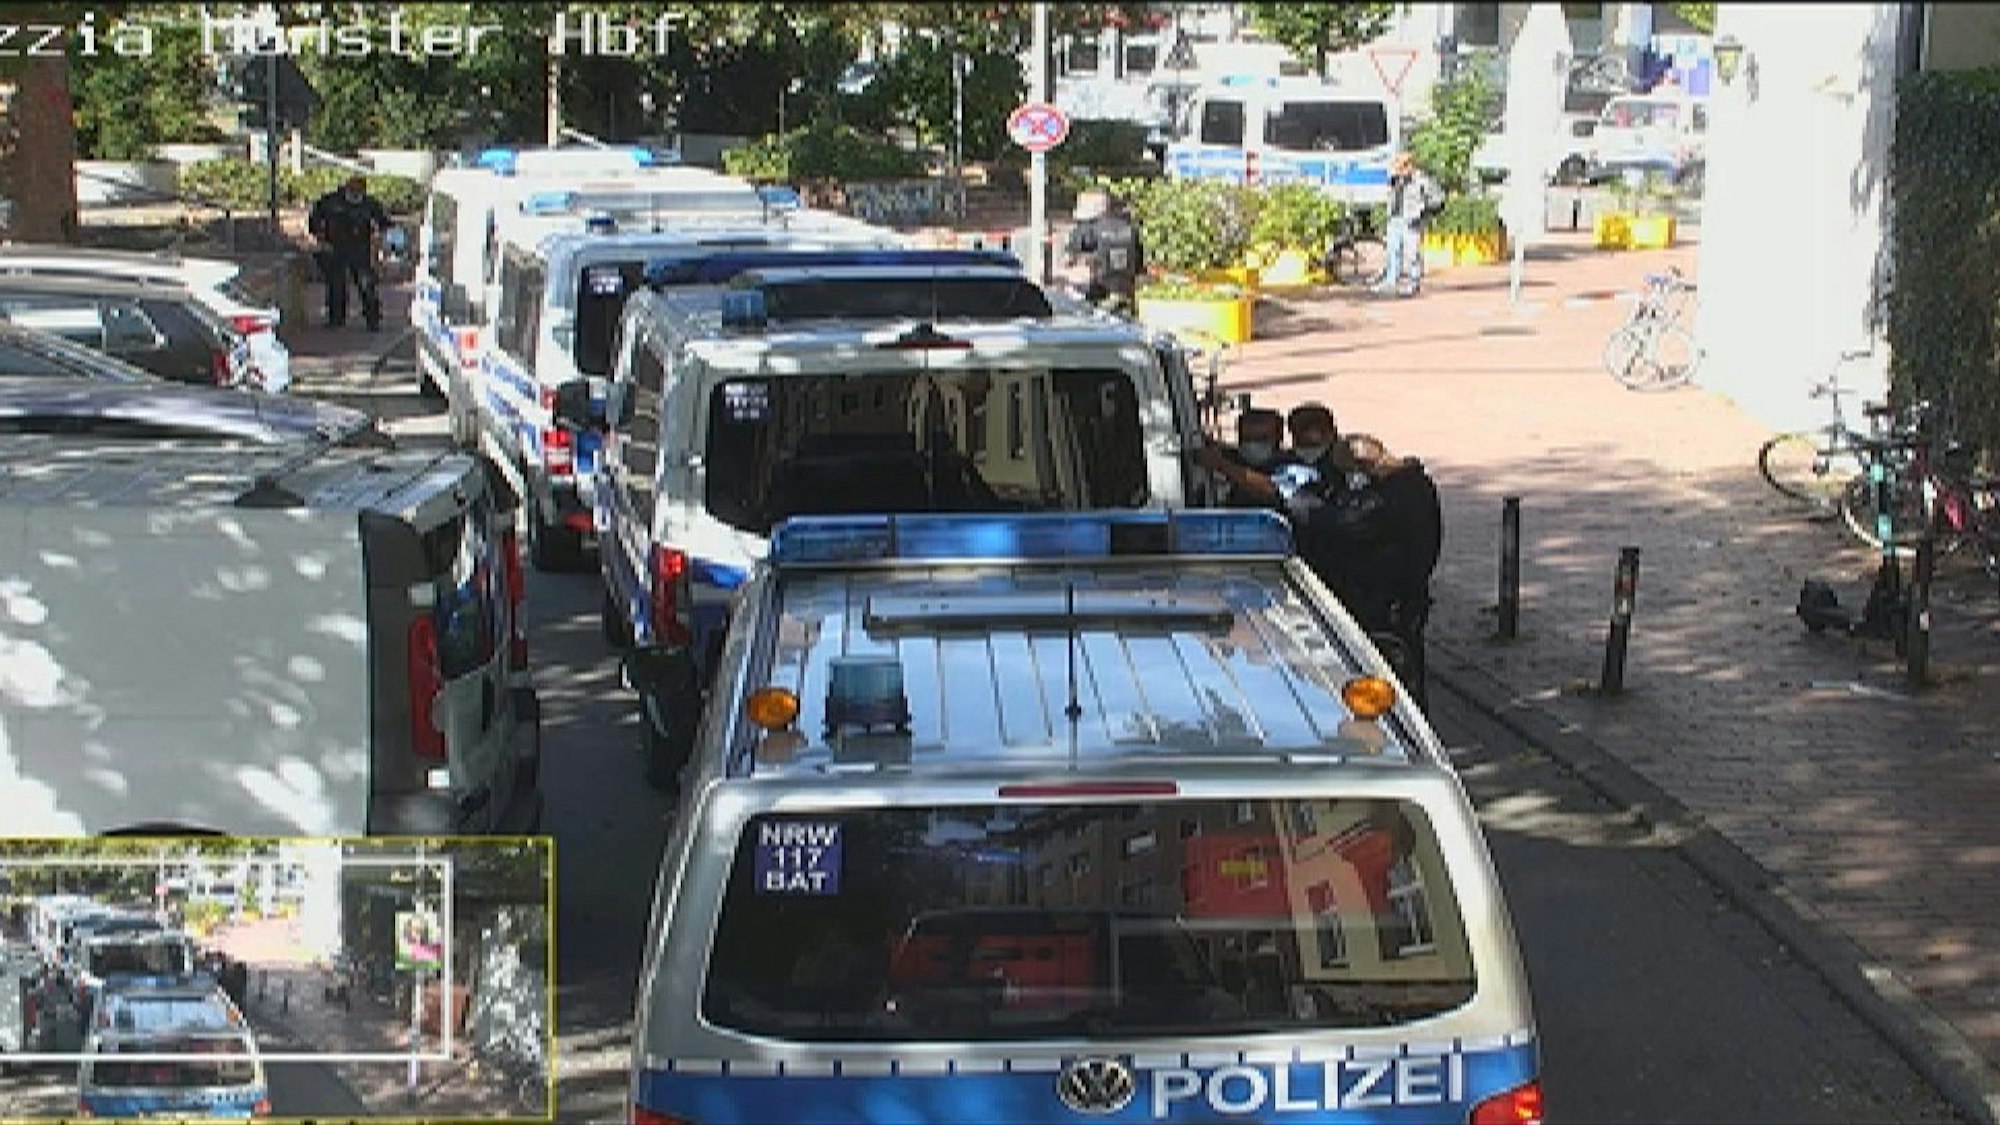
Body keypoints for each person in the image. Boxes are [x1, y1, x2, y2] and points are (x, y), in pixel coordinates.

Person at [1341, 433, 1444, 698]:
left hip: (1392, 599)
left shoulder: (1394, 494)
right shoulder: (1415, 484)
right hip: (1407, 594)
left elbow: (1361, 527)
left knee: (1397, 674)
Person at [308, 174, 392, 330]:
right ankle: (336, 319)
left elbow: (384, 223)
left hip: (360, 247)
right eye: (353, 189)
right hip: (335, 246)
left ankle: (372, 319)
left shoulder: (369, 204)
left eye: (359, 190)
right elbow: (314, 218)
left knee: (366, 283)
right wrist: (320, 238)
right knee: (336, 284)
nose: (356, 193)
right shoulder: (332, 201)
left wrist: (381, 243)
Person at [1062, 188, 1144, 314]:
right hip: (1125, 295)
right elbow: (1139, 266)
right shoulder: (1131, 230)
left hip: (1095, 296)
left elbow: (1068, 263)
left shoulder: (1085, 230)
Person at [1194, 407, 1292, 508]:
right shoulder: (1232, 457)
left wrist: (1222, 466)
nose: (1253, 445)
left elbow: (1271, 488)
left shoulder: (1291, 463)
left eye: (1262, 439)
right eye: (1248, 439)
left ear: (1278, 436)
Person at [1377, 152, 1444, 298]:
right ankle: (1391, 281)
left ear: (1410, 166)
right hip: (1394, 218)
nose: (1399, 171)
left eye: (1402, 168)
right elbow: (1389, 195)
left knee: (1412, 253)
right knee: (1392, 251)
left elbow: (1438, 199)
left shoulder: (1421, 180)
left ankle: (1413, 283)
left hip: (1411, 220)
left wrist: (1423, 213)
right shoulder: (1395, 179)